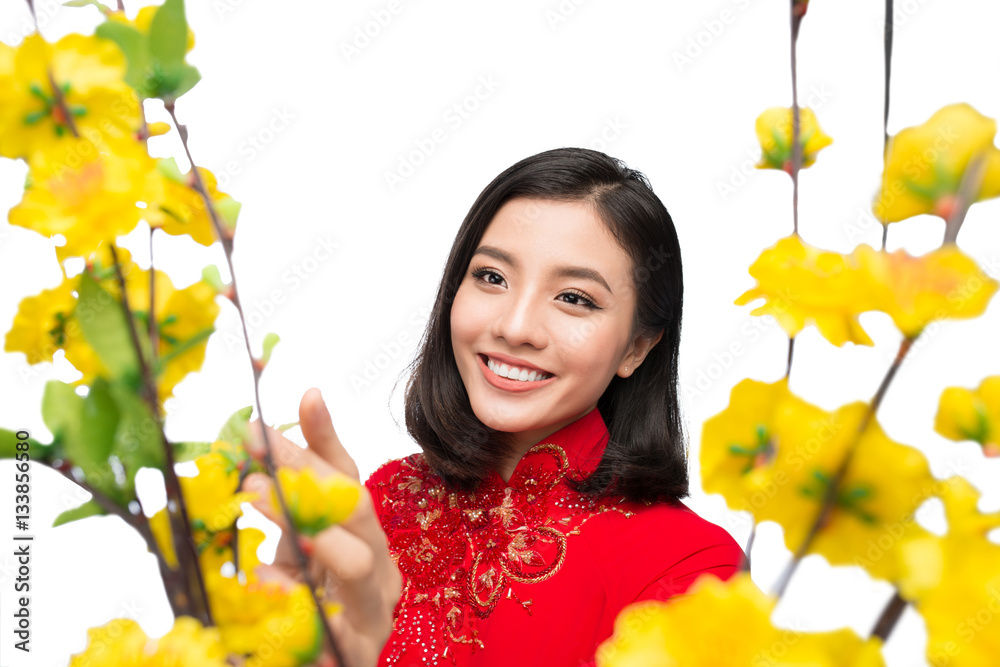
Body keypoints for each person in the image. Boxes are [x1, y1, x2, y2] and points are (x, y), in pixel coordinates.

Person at [245, 147, 747, 667]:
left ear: (637, 348)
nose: (514, 327)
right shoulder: (385, 502)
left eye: (574, 298)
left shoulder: (692, 569)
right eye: (492, 277)